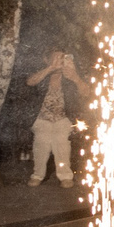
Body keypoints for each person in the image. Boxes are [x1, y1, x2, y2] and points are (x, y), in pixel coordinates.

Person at [24, 51, 83, 186]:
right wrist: (50, 68)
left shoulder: (69, 75)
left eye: (62, 57)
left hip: (63, 118)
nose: (59, 60)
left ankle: (65, 177)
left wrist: (76, 78)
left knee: (61, 141)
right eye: (56, 58)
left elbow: (86, 92)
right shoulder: (43, 74)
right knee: (42, 140)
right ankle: (37, 175)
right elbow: (29, 82)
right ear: (47, 59)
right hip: (41, 118)